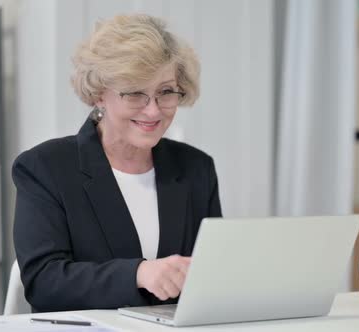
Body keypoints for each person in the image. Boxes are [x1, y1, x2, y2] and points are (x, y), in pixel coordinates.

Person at [12, 14, 222, 313]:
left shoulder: (196, 168)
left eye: (165, 92)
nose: (152, 111)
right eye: (135, 93)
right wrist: (138, 273)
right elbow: (44, 282)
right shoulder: (45, 167)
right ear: (99, 95)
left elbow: (213, 274)